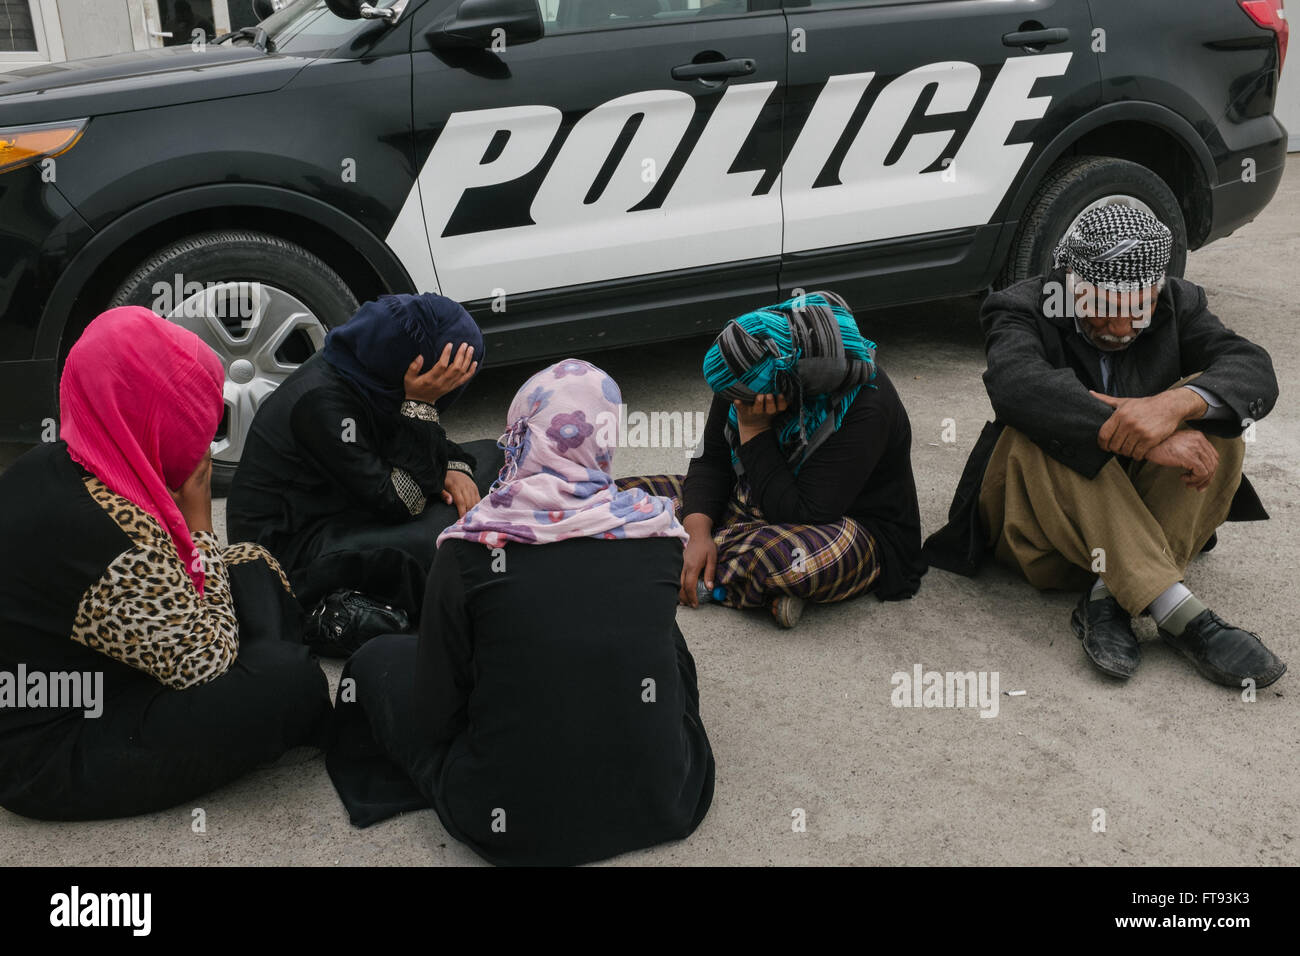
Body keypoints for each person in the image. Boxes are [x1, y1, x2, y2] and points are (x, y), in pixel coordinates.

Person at [326, 359, 715, 866]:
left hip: (510, 824)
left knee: (378, 660)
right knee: (666, 644)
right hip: (666, 802)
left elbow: (435, 710)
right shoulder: (656, 535)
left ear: (520, 433)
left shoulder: (469, 550)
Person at [923, 205, 1285, 688]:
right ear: (1071, 285)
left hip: (1132, 531)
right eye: (1103, 310)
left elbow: (1253, 368)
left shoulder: (1180, 302)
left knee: (1216, 414)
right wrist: (1141, 437)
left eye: (1137, 311)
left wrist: (1174, 407)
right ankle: (1180, 613)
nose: (1119, 328)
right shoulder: (1022, 306)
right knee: (1038, 426)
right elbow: (1015, 384)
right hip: (1043, 534)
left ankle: (1108, 596)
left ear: (1157, 292)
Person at [0, 307, 331, 821]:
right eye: (194, 422)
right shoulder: (110, 537)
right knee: (288, 685)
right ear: (156, 419)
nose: (202, 442)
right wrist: (198, 521)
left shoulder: (72, 456)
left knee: (253, 563)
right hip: (52, 749)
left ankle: (270, 649)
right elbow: (208, 663)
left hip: (99, 664)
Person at [625, 291, 926, 629]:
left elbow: (802, 512)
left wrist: (753, 430)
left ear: (787, 387)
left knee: (789, 560)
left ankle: (668, 557)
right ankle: (723, 576)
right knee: (623, 495)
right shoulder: (747, 364)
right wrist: (697, 533)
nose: (732, 403)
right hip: (754, 494)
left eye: (739, 398)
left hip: (840, 526)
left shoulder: (866, 407)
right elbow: (711, 460)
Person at [227, 293, 503, 625]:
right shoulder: (323, 405)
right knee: (437, 540)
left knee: (492, 455)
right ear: (415, 366)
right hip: (293, 549)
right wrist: (422, 405)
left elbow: (394, 435)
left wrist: (452, 467)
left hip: (350, 497)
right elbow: (402, 501)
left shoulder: (366, 367)